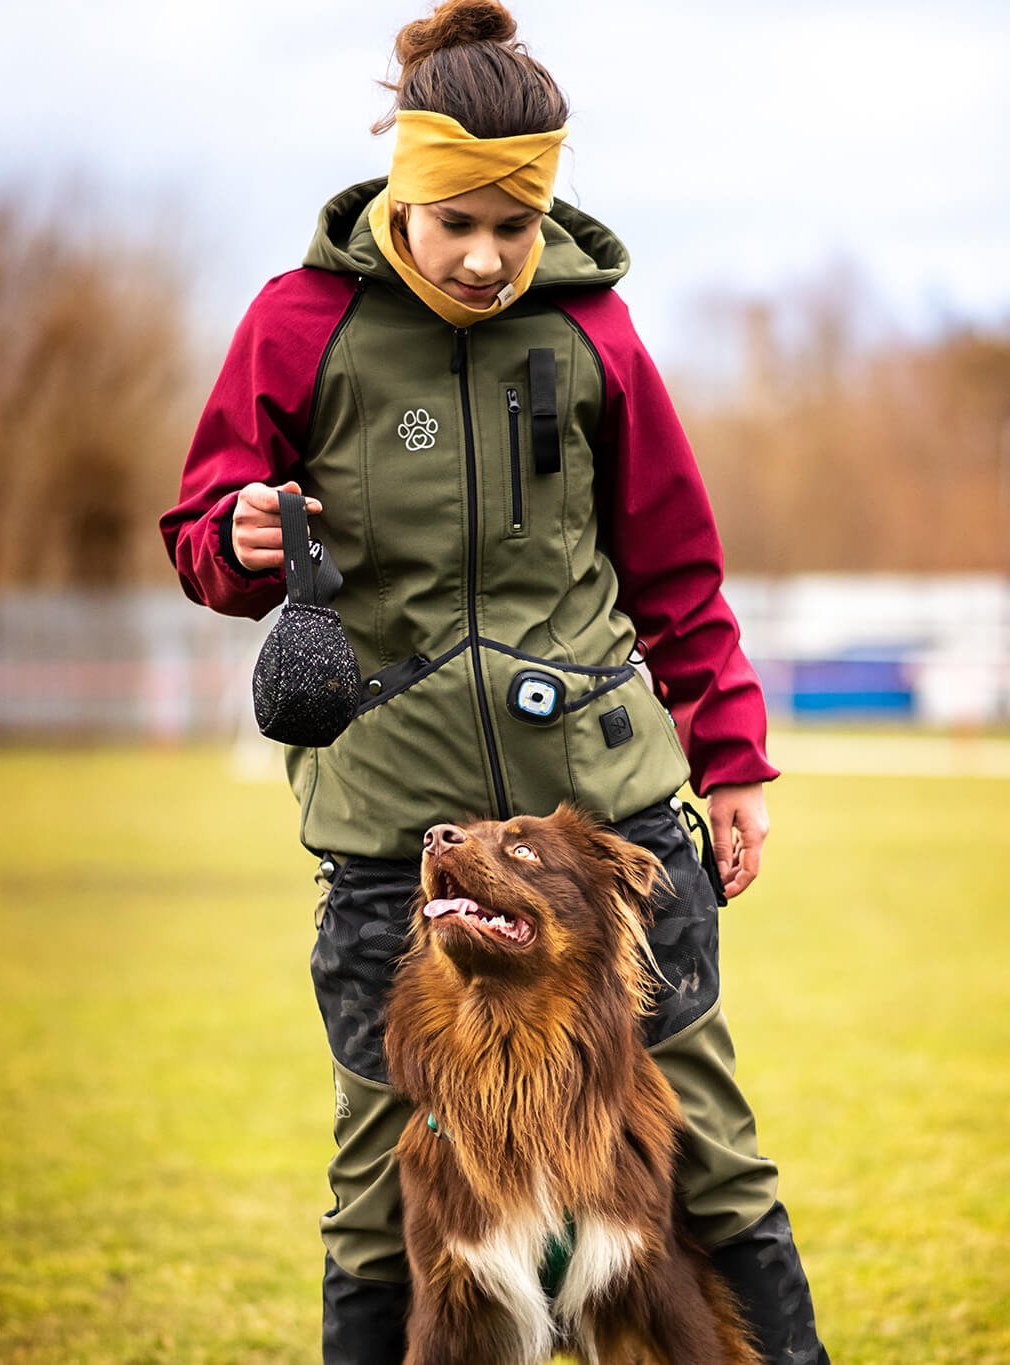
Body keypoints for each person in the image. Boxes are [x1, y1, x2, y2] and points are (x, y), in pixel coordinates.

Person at [160, 3, 829, 1361]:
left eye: (511, 229)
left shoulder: (599, 334)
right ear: (402, 188)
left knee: (717, 1166)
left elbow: (679, 573)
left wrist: (735, 759)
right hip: (392, 846)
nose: (483, 257)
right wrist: (234, 533)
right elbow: (207, 534)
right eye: (453, 220)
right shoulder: (296, 325)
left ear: (546, 213)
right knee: (373, 1203)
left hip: (609, 833)